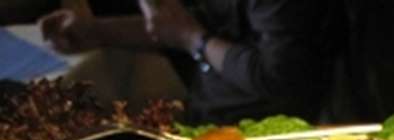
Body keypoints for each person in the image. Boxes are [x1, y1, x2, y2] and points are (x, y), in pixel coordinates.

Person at [39, 0, 339, 123]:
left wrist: (194, 39)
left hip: (259, 129)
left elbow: (277, 78)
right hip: (201, 112)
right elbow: (185, 26)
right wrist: (97, 32)